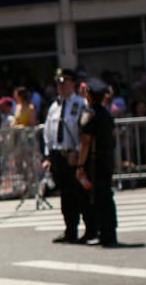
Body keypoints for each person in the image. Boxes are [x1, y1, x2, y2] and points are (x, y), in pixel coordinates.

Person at [43, 69, 95, 244]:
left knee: (82, 194)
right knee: (66, 195)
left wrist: (78, 152)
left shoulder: (81, 104)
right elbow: (48, 133)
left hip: (75, 156)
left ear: (73, 83)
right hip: (59, 156)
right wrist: (48, 156)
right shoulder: (54, 106)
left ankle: (90, 229)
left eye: (64, 81)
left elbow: (86, 132)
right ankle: (70, 230)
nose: (60, 85)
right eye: (58, 82)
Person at [79, 84, 119, 247]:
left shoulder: (91, 115)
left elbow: (86, 141)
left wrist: (80, 165)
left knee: (98, 198)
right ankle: (109, 232)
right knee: (106, 197)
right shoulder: (106, 114)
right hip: (107, 159)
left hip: (95, 161)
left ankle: (104, 232)